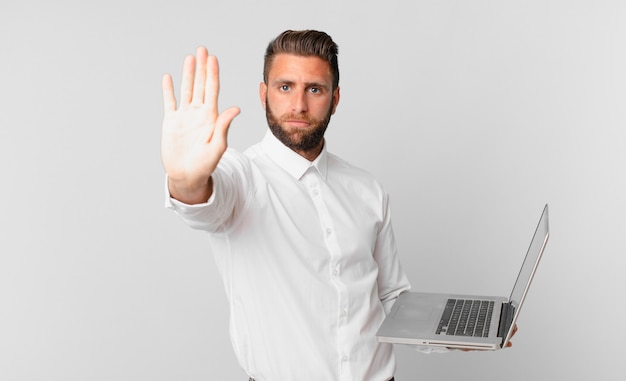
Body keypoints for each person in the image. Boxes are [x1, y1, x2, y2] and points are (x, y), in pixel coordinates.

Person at [161, 29, 513, 380]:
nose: (299, 104)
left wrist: (460, 332)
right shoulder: (241, 177)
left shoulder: (367, 189)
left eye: (314, 89)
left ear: (335, 98)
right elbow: (204, 202)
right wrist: (184, 180)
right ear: (263, 93)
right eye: (285, 87)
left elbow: (391, 298)